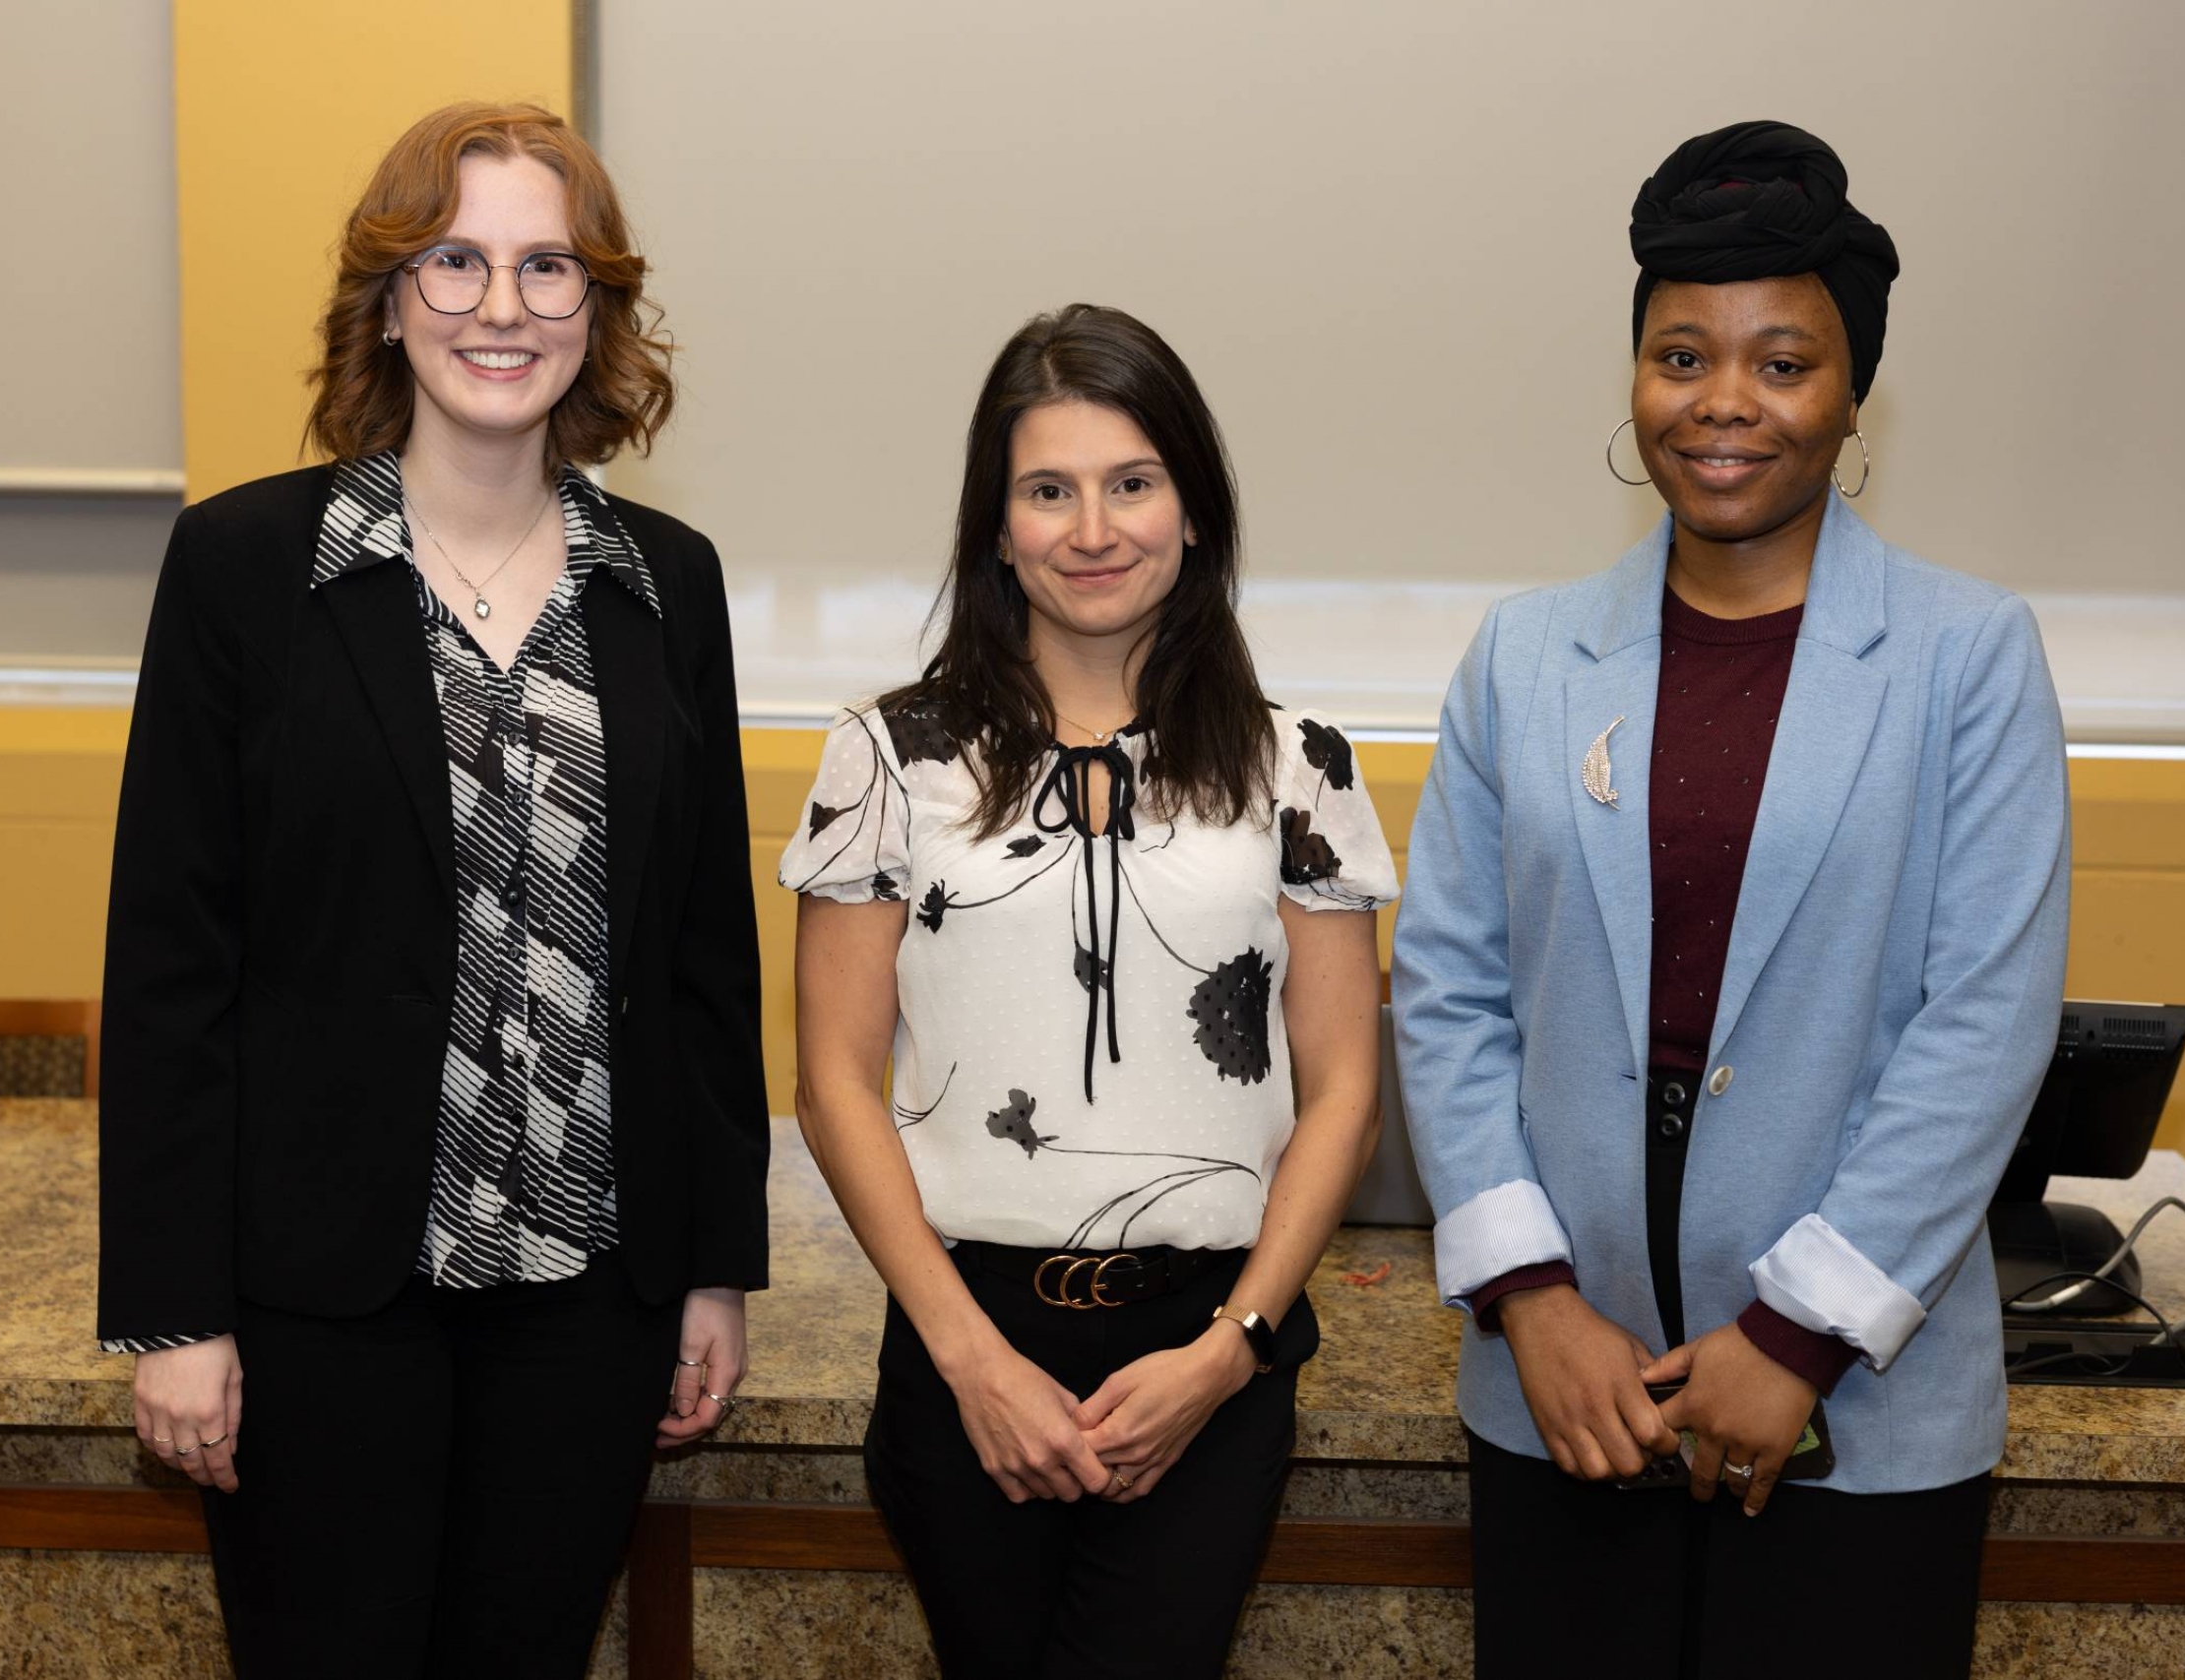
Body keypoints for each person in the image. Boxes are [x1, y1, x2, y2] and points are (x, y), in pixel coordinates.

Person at [95, 101, 769, 1676]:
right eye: (454, 260)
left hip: (589, 1294)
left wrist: (714, 1263)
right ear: (388, 297)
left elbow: (701, 959)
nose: (500, 307)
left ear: (596, 308)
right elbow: (170, 960)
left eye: (548, 267)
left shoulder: (670, 582)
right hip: (319, 1300)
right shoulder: (244, 569)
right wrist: (173, 1312)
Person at [1391, 120, 2071, 1678]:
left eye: (1783, 363)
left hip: (1859, 1414)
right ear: (1634, 384)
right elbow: (1447, 989)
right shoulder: (1523, 656)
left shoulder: (1968, 658)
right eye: (1682, 355)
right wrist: (1533, 1303)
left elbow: (1984, 1022)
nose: (1725, 405)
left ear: (1849, 396)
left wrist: (1794, 1338)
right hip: (1572, 1397)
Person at [783, 302, 1394, 1679]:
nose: (1093, 527)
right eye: (1047, 491)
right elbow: (831, 1079)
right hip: (964, 1351)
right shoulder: (886, 758)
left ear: (1194, 510)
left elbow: (1345, 1094)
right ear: (996, 528)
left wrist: (1231, 1354)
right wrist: (972, 1362)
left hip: (1211, 1353)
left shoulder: (1301, 767)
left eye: (1133, 482)